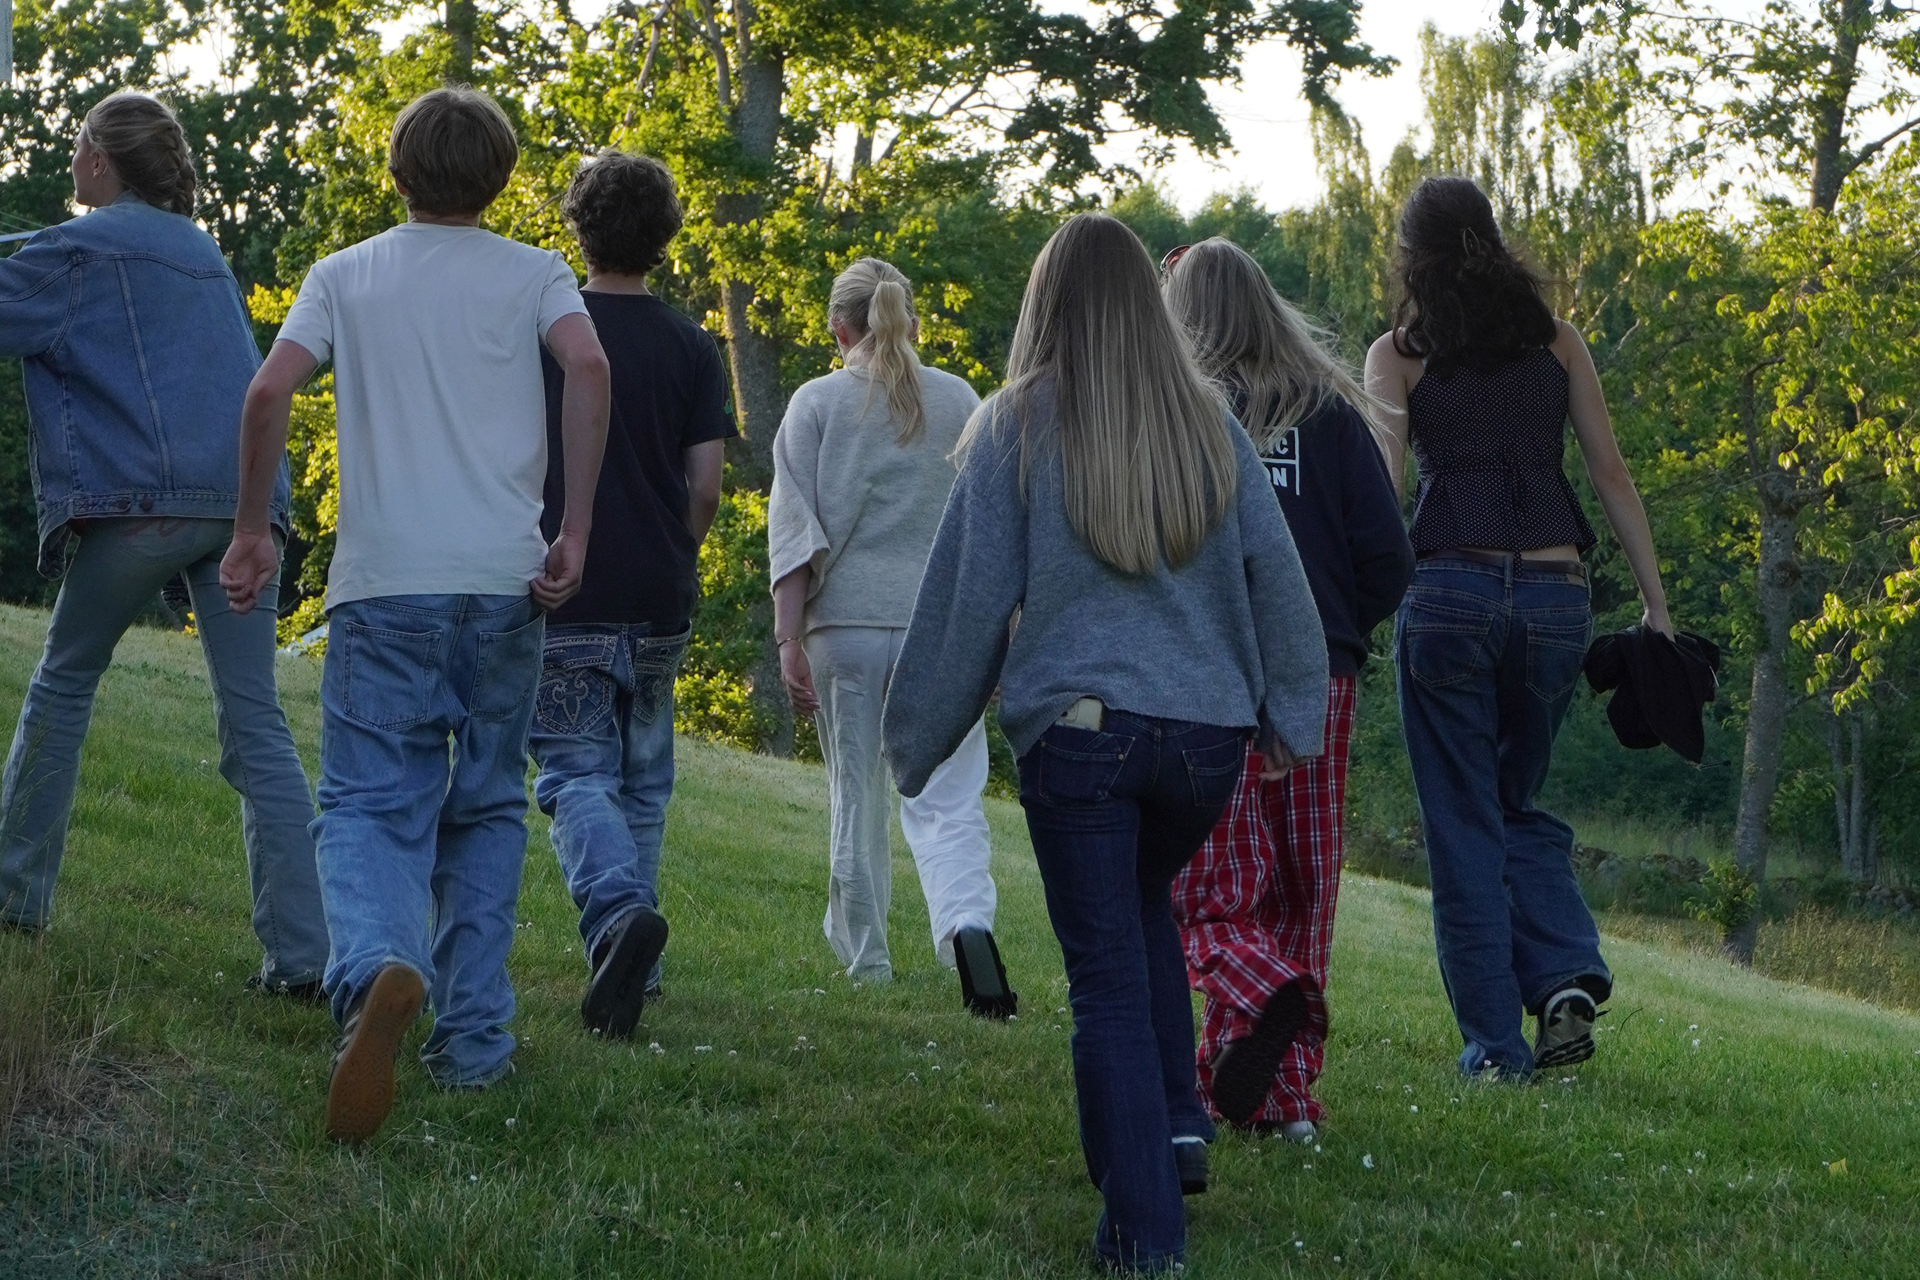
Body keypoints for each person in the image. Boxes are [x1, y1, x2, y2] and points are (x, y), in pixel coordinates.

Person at [882, 213, 1328, 1273]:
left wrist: (912, 740)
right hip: (1206, 744)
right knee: (1138, 922)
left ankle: (1142, 1235)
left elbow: (965, 605)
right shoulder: (1211, 424)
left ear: (1046, 301)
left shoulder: (1015, 423)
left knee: (1108, 982)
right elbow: (1282, 583)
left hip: (1084, 741)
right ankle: (1171, 1131)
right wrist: (1290, 716)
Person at [220, 87, 611, 1142]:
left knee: (364, 802)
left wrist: (254, 532)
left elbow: (266, 396)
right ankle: (474, 1040)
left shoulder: (346, 274)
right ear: (500, 177)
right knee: (484, 806)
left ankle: (376, 969)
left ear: (397, 172)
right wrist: (570, 526)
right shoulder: (535, 273)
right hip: (504, 580)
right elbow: (588, 363)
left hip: (385, 583)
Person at [0, 92, 328, 998]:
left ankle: (14, 901)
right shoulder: (202, 252)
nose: (69, 163)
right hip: (241, 508)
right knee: (256, 721)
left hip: (143, 505)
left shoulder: (74, 250)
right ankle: (305, 960)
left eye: (76, 148)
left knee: (64, 680)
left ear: (102, 162)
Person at [1362, 175, 1672, 1080]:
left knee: (1464, 823)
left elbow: (1385, 485)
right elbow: (1611, 477)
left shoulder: (1399, 353)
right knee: (1518, 804)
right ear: (1491, 241)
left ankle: (1496, 1049)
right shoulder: (1558, 342)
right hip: (1552, 596)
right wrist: (1656, 606)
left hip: (1450, 591)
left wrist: (1351, 592)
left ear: (1412, 255)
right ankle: (1565, 975)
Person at [1162, 238, 1414, 1139]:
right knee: (1307, 886)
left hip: (1213, 678)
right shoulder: (1332, 415)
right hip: (1326, 682)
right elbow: (1389, 559)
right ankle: (1286, 1100)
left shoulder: (1178, 414)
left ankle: (1260, 993)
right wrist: (1339, 634)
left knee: (1213, 885)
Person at [767, 258, 1014, 1016]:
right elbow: (989, 532)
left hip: (843, 630)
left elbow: (794, 533)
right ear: (909, 322)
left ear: (840, 328)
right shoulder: (961, 403)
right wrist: (998, 634)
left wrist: (787, 640)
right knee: (948, 795)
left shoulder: (815, 405)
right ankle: (966, 926)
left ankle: (867, 957)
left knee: (857, 793)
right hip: (938, 633)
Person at [528, 151, 735, 1038]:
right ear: (666, 235)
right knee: (643, 781)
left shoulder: (547, 333)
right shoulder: (693, 345)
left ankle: (616, 917)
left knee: (574, 769)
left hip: (568, 582)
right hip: (660, 590)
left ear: (578, 228)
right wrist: (674, 549)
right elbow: (708, 487)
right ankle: (634, 978)